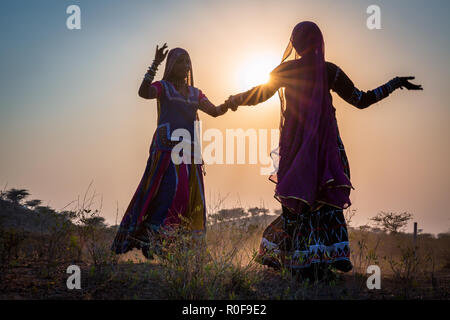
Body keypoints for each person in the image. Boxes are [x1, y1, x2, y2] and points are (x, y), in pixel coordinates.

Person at [225, 21, 422, 281]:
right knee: (324, 200)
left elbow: (259, 94)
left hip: (297, 149)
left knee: (300, 202)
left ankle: (303, 264)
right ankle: (319, 264)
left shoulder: (288, 70)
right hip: (327, 149)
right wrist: (394, 83)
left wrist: (234, 101)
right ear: (318, 42)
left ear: (294, 43)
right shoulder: (329, 71)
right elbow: (361, 100)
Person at [112, 44, 230, 258]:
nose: (185, 66)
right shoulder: (163, 88)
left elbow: (214, 111)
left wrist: (231, 103)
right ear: (172, 66)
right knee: (166, 191)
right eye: (180, 62)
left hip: (187, 151)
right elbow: (143, 93)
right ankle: (153, 238)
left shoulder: (196, 94)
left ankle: (168, 244)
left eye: (187, 62)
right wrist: (155, 63)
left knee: (185, 195)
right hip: (165, 149)